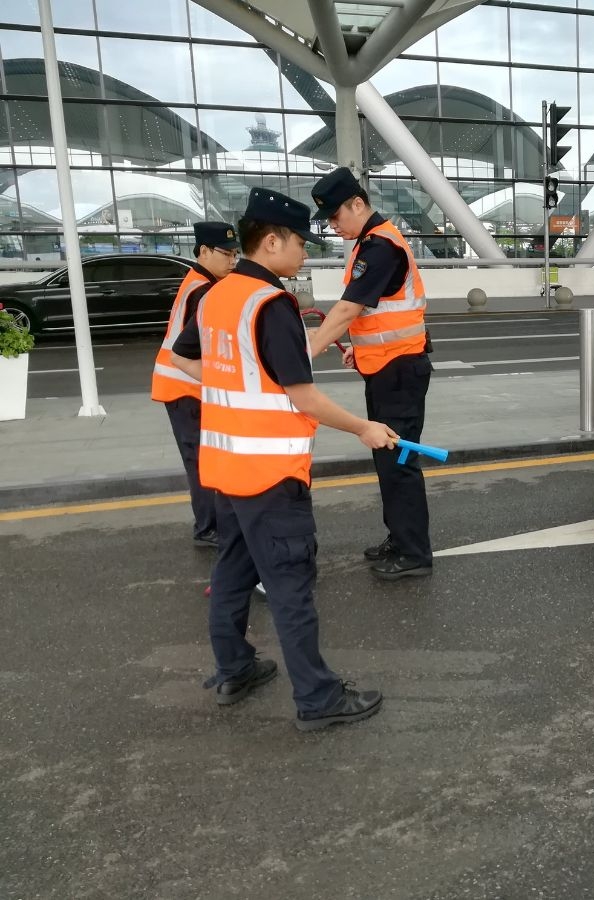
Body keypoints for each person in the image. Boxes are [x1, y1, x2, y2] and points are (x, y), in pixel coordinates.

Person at [170, 187, 393, 730]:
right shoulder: (271, 304)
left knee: (232, 570)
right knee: (291, 587)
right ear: (271, 242)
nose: (303, 252)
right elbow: (303, 396)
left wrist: (238, 394)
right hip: (270, 473)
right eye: (298, 242)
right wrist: (365, 427)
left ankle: (234, 669)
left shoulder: (217, 294)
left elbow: (184, 357)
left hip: (226, 467)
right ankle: (317, 700)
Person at [307, 167, 434, 581]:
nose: (332, 225)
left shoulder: (380, 246)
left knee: (398, 460)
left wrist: (307, 351)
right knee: (387, 458)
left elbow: (347, 309)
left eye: (335, 216)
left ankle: (414, 553)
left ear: (357, 204)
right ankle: (399, 539)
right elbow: (377, 315)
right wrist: (359, 352)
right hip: (386, 368)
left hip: (399, 373)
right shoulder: (369, 244)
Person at [151, 222, 239, 548]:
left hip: (187, 387)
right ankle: (208, 529)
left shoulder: (201, 282)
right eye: (226, 253)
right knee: (201, 461)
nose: (233, 260)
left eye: (235, 254)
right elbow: (200, 345)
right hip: (185, 387)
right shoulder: (203, 289)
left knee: (202, 459)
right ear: (203, 251)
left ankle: (209, 525)